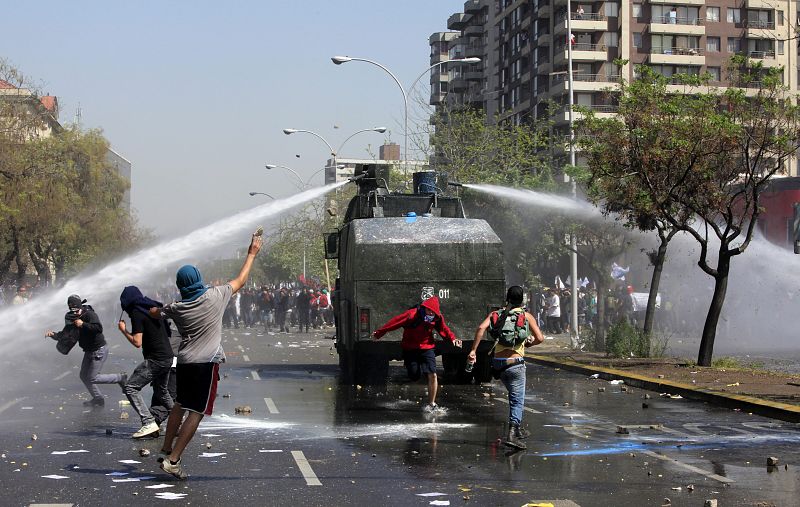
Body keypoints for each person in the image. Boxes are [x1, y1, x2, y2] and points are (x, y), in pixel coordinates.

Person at [153, 231, 262, 480]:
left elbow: (158, 311)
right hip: (205, 364)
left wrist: (151, 309)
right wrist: (251, 254)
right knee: (198, 412)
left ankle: (166, 447)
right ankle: (173, 459)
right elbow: (241, 280)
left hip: (185, 362)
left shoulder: (177, 308)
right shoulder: (215, 296)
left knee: (180, 403)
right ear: (199, 279)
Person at [469, 286, 544, 450]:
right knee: (517, 400)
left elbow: (481, 328)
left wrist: (473, 351)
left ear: (507, 298)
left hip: (497, 364)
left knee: (512, 395)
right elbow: (540, 338)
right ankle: (512, 434)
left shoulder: (496, 314)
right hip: (515, 364)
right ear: (522, 300)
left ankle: (518, 430)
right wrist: (528, 344)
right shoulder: (526, 316)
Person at [372, 296, 462, 413]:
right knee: (414, 375)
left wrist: (453, 339)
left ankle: (432, 403)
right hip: (410, 348)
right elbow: (394, 322)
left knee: (432, 374)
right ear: (424, 308)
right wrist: (379, 333)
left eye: (433, 312)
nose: (430, 313)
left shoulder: (437, 318)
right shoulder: (412, 314)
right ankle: (418, 371)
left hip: (427, 347)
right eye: (428, 310)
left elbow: (443, 329)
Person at [46, 295, 126, 407]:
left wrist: (83, 324)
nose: (75, 313)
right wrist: (53, 335)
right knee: (84, 376)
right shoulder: (72, 318)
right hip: (88, 350)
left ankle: (120, 378)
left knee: (92, 377)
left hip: (99, 350)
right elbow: (65, 334)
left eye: (76, 310)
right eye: (72, 310)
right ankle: (98, 398)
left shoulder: (89, 314)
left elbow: (98, 328)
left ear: (80, 307)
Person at [117, 286, 175, 439]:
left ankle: (148, 421)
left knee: (130, 388)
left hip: (156, 359)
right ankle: (179, 420)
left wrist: (123, 330)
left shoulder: (137, 313)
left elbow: (137, 342)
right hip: (168, 357)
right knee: (162, 391)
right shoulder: (151, 308)